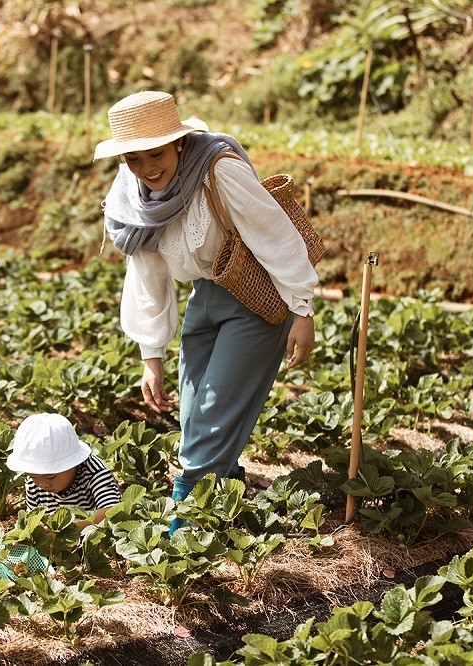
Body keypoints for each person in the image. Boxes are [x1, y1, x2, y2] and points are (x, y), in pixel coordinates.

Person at [94, 90, 319, 534]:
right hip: (205, 297)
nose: (147, 169)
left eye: (155, 154)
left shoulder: (219, 171)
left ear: (178, 142)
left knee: (210, 419)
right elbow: (146, 273)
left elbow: (277, 236)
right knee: (193, 414)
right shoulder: (133, 196)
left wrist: (302, 310)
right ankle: (230, 496)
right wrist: (151, 355)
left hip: (254, 299)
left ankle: (185, 525)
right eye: (133, 160)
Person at [6, 412, 123, 527]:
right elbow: (32, 520)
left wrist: (66, 531)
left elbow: (111, 511)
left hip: (94, 540)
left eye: (51, 476)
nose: (42, 483)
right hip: (53, 542)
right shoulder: (33, 482)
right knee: (6, 546)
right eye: (33, 476)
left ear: (72, 464)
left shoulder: (95, 473)